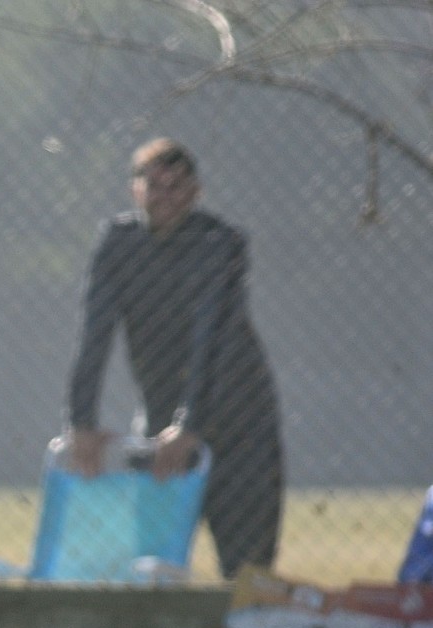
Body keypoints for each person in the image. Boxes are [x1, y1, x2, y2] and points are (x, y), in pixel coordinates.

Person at [65, 137, 284, 580]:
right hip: (162, 417)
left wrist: (189, 426)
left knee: (247, 571)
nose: (163, 196)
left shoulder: (220, 244)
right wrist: (81, 424)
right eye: (152, 185)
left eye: (175, 186)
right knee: (151, 563)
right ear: (134, 189)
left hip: (240, 421)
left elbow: (210, 337)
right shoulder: (117, 243)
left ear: (195, 191)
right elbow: (94, 336)